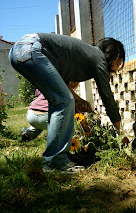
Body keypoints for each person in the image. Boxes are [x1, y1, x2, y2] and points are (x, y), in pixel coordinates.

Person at [9, 33, 125, 173]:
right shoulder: (99, 60)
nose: (117, 69)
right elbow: (107, 98)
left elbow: (62, 84)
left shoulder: (84, 54)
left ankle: (55, 157)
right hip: (32, 50)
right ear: (113, 55)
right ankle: (55, 162)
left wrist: (80, 100)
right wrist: (120, 131)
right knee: (64, 101)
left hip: (18, 50)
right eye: (118, 63)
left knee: (59, 100)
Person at [20, 82, 89, 141]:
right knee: (58, 120)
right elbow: (80, 117)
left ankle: (28, 134)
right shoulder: (69, 97)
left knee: (41, 123)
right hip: (46, 118)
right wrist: (87, 132)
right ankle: (59, 141)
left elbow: (37, 92)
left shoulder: (49, 85)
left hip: (31, 114)